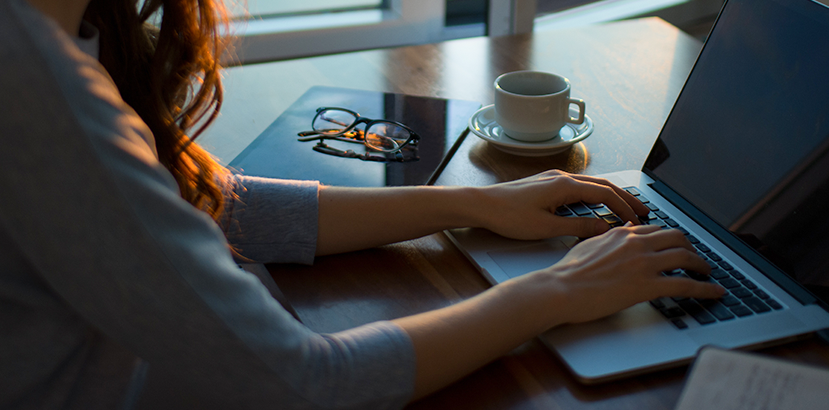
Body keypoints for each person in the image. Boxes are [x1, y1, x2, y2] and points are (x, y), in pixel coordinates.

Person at [0, 0, 725, 408]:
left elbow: (204, 204)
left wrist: (472, 205)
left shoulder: (55, 31)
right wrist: (555, 291)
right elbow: (302, 385)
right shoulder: (27, 71)